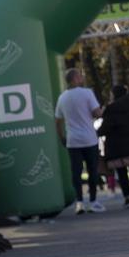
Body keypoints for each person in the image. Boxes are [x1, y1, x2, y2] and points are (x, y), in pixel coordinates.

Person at [54, 68, 106, 214]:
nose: (82, 77)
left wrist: (62, 137)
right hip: (89, 138)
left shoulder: (62, 97)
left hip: (73, 140)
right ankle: (93, 201)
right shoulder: (87, 93)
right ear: (75, 78)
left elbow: (57, 121)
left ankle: (79, 202)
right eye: (80, 75)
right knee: (92, 170)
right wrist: (101, 111)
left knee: (76, 172)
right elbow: (97, 112)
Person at [99, 85, 129, 208]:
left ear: (114, 95)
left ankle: (127, 199)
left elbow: (105, 128)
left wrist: (97, 133)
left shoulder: (110, 109)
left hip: (116, 147)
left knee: (122, 173)